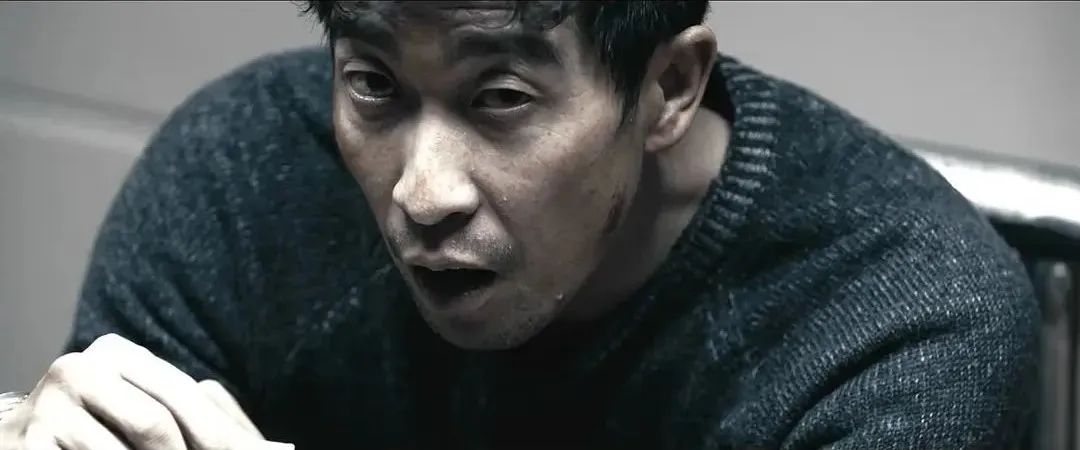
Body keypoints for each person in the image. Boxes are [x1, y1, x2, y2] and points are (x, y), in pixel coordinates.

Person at [0, 1, 1038, 449]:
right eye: (373, 84)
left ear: (669, 88)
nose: (423, 192)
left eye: (499, 98)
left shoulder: (902, 324)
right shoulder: (240, 180)